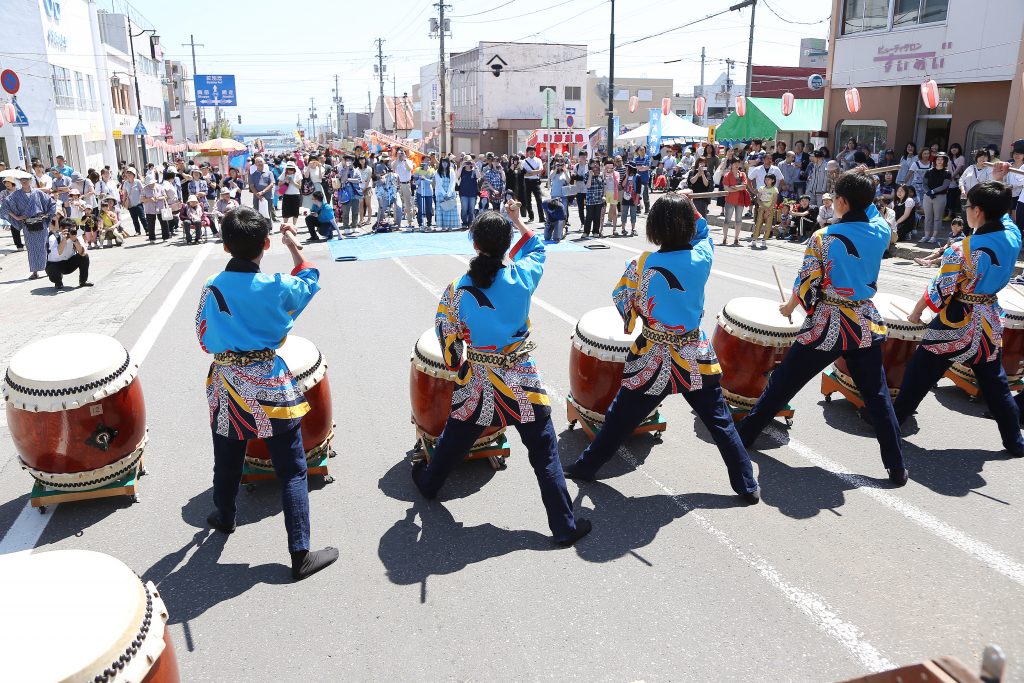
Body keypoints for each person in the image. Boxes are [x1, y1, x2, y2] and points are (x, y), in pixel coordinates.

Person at [411, 203, 592, 547]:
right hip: (521, 379)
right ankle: (564, 526)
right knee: (544, 452)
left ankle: (430, 483)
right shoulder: (522, 277)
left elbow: (446, 336)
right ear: (507, 245)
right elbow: (538, 248)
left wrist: (459, 366)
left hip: (478, 380)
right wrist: (517, 219)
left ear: (475, 246)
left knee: (456, 437)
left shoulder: (456, 290)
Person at [564, 194, 761, 503]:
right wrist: (692, 208)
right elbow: (705, 232)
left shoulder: (642, 264)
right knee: (720, 422)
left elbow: (623, 301)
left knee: (620, 418)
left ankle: (587, 467)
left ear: (655, 227)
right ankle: (747, 484)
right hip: (694, 355)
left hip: (651, 358)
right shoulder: (703, 257)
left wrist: (641, 315)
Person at [737, 170, 907, 485]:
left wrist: (789, 306)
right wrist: (862, 185)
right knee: (877, 396)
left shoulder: (822, 237)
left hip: (827, 322)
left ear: (840, 202)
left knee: (783, 383)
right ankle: (896, 467)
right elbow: (867, 208)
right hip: (864, 323)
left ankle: (744, 437)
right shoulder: (881, 231)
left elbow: (806, 282)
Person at [195, 207, 339, 581]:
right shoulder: (277, 285)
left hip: (226, 382)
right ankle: (300, 554)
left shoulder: (211, 286)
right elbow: (309, 279)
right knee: (291, 471)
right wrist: (295, 247)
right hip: (269, 383)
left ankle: (225, 517)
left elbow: (203, 337)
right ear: (266, 243)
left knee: (227, 459)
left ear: (226, 246)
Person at [894, 176, 1024, 457]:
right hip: (988, 318)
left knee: (921, 371)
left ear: (977, 211)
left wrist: (917, 312)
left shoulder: (961, 249)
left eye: (968, 206)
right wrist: (999, 182)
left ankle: (893, 422)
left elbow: (939, 289)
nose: (965, 212)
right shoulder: (1013, 237)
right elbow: (1006, 217)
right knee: (995, 383)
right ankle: (1015, 441)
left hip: (957, 320)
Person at [1, 174, 57, 279]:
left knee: (43, 246)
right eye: (22, 180)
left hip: (40, 223)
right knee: (31, 248)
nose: (24, 182)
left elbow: (52, 203)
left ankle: (47, 268)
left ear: (31, 180)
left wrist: (46, 214)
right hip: (27, 224)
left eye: (26, 179)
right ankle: (35, 271)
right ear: (19, 181)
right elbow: (5, 206)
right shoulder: (16, 195)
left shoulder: (38, 193)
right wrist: (16, 217)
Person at [45, 217, 92, 290]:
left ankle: (83, 281)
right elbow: (58, 253)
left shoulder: (76, 235)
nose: (70, 231)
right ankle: (58, 282)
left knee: (85, 257)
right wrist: (64, 240)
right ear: (61, 229)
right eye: (68, 229)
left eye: (72, 229)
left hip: (69, 263)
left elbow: (82, 253)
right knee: (52, 269)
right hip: (55, 264)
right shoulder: (53, 237)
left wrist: (75, 241)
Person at [921, 153, 952, 243]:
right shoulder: (929, 171)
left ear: (945, 161)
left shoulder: (947, 173)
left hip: (940, 196)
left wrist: (933, 191)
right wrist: (928, 192)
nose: (939, 161)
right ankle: (926, 235)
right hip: (928, 196)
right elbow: (924, 184)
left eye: (942, 159)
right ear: (935, 160)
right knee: (927, 217)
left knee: (938, 217)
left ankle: (934, 236)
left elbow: (945, 185)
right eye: (938, 159)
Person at [722, 158, 749, 246]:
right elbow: (726, 189)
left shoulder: (742, 174)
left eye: (738, 163)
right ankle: (725, 238)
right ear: (732, 164)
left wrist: (734, 187)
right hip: (730, 200)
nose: (737, 165)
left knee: (739, 220)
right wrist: (738, 188)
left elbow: (744, 187)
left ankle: (736, 238)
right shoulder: (727, 175)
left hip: (740, 200)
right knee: (727, 220)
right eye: (735, 163)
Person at [751, 173, 779, 249]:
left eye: (769, 179)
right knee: (758, 222)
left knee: (768, 224)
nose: (767, 181)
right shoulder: (762, 188)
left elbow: (774, 201)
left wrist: (768, 210)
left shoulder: (774, 190)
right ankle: (755, 238)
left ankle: (764, 239)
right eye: (766, 179)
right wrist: (764, 207)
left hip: (770, 208)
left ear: (773, 180)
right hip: (762, 208)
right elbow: (758, 200)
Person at [141, 177, 171, 242]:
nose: (152, 184)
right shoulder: (144, 189)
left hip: (160, 207)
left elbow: (165, 196)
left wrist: (159, 198)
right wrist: (149, 199)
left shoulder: (160, 187)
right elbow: (142, 199)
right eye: (150, 183)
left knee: (164, 223)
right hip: (150, 208)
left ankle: (165, 237)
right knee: (151, 224)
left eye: (153, 183)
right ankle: (152, 238)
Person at [248, 155, 277, 222]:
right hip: (257, 197)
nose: (259, 163)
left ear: (264, 162)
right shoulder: (252, 174)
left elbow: (272, 184)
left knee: (268, 213)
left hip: (268, 196)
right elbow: (251, 186)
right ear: (255, 164)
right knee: (257, 213)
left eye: (261, 161)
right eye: (257, 162)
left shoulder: (270, 173)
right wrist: (258, 194)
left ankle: (269, 228)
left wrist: (262, 192)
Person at [392, 150, 416, 229]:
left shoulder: (409, 161)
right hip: (397, 185)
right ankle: (396, 221)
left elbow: (410, 168)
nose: (401, 155)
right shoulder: (395, 162)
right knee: (397, 204)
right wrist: (397, 158)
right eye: (399, 153)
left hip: (406, 184)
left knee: (408, 204)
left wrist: (404, 159)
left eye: (402, 153)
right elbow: (393, 168)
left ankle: (410, 221)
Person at [433, 157, 459, 231]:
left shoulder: (451, 171)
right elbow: (438, 185)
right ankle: (443, 227)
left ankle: (450, 227)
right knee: (442, 210)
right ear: (441, 163)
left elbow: (452, 183)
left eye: (446, 162)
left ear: (448, 163)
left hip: (450, 193)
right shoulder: (437, 172)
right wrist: (444, 194)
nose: (444, 164)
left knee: (450, 210)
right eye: (443, 162)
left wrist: (448, 194)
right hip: (441, 194)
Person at [582, 158, 605, 238]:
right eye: (593, 163)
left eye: (597, 163)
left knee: (597, 216)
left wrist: (604, 196)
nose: (595, 165)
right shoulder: (587, 174)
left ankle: (595, 231)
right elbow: (588, 186)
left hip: (599, 199)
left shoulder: (601, 174)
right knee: (589, 216)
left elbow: (603, 186)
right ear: (590, 165)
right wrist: (591, 176)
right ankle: (586, 232)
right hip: (590, 199)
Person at [120, 167, 145, 236]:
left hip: (138, 203)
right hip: (130, 204)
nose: (128, 175)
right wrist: (123, 201)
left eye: (130, 173)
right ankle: (137, 231)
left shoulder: (138, 182)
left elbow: (142, 190)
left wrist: (143, 198)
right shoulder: (125, 183)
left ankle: (147, 230)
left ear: (134, 175)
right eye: (127, 173)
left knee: (142, 217)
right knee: (134, 219)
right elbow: (124, 193)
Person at [413, 157, 435, 231]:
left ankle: (429, 224)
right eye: (426, 160)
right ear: (422, 161)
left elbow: (431, 181)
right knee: (420, 209)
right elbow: (415, 182)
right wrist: (420, 179)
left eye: (429, 160)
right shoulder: (417, 170)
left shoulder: (432, 170)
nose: (427, 161)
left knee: (429, 209)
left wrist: (424, 178)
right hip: (420, 192)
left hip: (428, 192)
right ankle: (420, 224)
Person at [457, 155, 479, 228]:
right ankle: (464, 222)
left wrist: (475, 166)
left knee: (471, 209)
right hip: (463, 193)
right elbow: (457, 176)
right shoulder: (462, 170)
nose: (468, 163)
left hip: (473, 193)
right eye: (466, 161)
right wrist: (461, 166)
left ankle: (470, 222)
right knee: (464, 209)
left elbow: (479, 176)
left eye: (469, 161)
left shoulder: (474, 170)